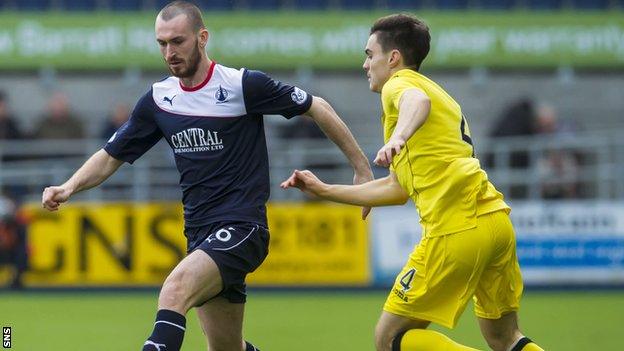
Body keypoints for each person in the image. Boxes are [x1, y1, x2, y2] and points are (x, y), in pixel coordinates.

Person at [41, 2, 372, 351]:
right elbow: (111, 157)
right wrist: (69, 186)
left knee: (174, 289)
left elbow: (316, 106)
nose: (169, 52)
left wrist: (361, 168)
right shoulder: (159, 100)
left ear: (202, 38)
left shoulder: (242, 85)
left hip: (244, 228)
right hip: (199, 233)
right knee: (227, 347)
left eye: (178, 41)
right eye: (162, 43)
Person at [281, 14, 544, 351]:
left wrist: (398, 138)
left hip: (455, 228)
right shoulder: (441, 96)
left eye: (369, 55)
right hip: (494, 222)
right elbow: (397, 188)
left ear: (393, 58)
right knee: (505, 338)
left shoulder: (400, 85)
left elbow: (415, 104)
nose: (365, 65)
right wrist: (325, 190)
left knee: (389, 338)